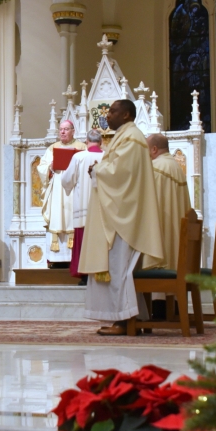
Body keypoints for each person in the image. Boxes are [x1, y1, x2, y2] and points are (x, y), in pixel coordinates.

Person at [78, 99, 165, 335]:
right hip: (119, 212)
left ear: (127, 114)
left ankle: (123, 321)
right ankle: (131, 317)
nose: (108, 115)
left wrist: (97, 170)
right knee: (119, 269)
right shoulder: (125, 136)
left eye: (113, 111)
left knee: (118, 269)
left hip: (123, 217)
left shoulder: (132, 138)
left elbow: (121, 174)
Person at [36, 120, 87, 261]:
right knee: (57, 216)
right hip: (57, 189)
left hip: (74, 189)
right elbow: (41, 167)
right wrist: (51, 167)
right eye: (61, 129)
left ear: (73, 131)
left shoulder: (81, 147)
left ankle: (74, 258)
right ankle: (56, 259)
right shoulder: (53, 148)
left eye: (66, 129)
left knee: (73, 217)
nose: (62, 132)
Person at [61, 129, 104, 285]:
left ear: (87, 141)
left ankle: (85, 276)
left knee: (83, 241)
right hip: (103, 209)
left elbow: (66, 180)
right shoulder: (107, 157)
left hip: (83, 207)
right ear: (101, 142)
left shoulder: (79, 157)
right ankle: (101, 272)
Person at [146, 134, 192, 270]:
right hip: (178, 238)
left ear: (154, 149)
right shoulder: (176, 166)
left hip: (161, 237)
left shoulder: (155, 168)